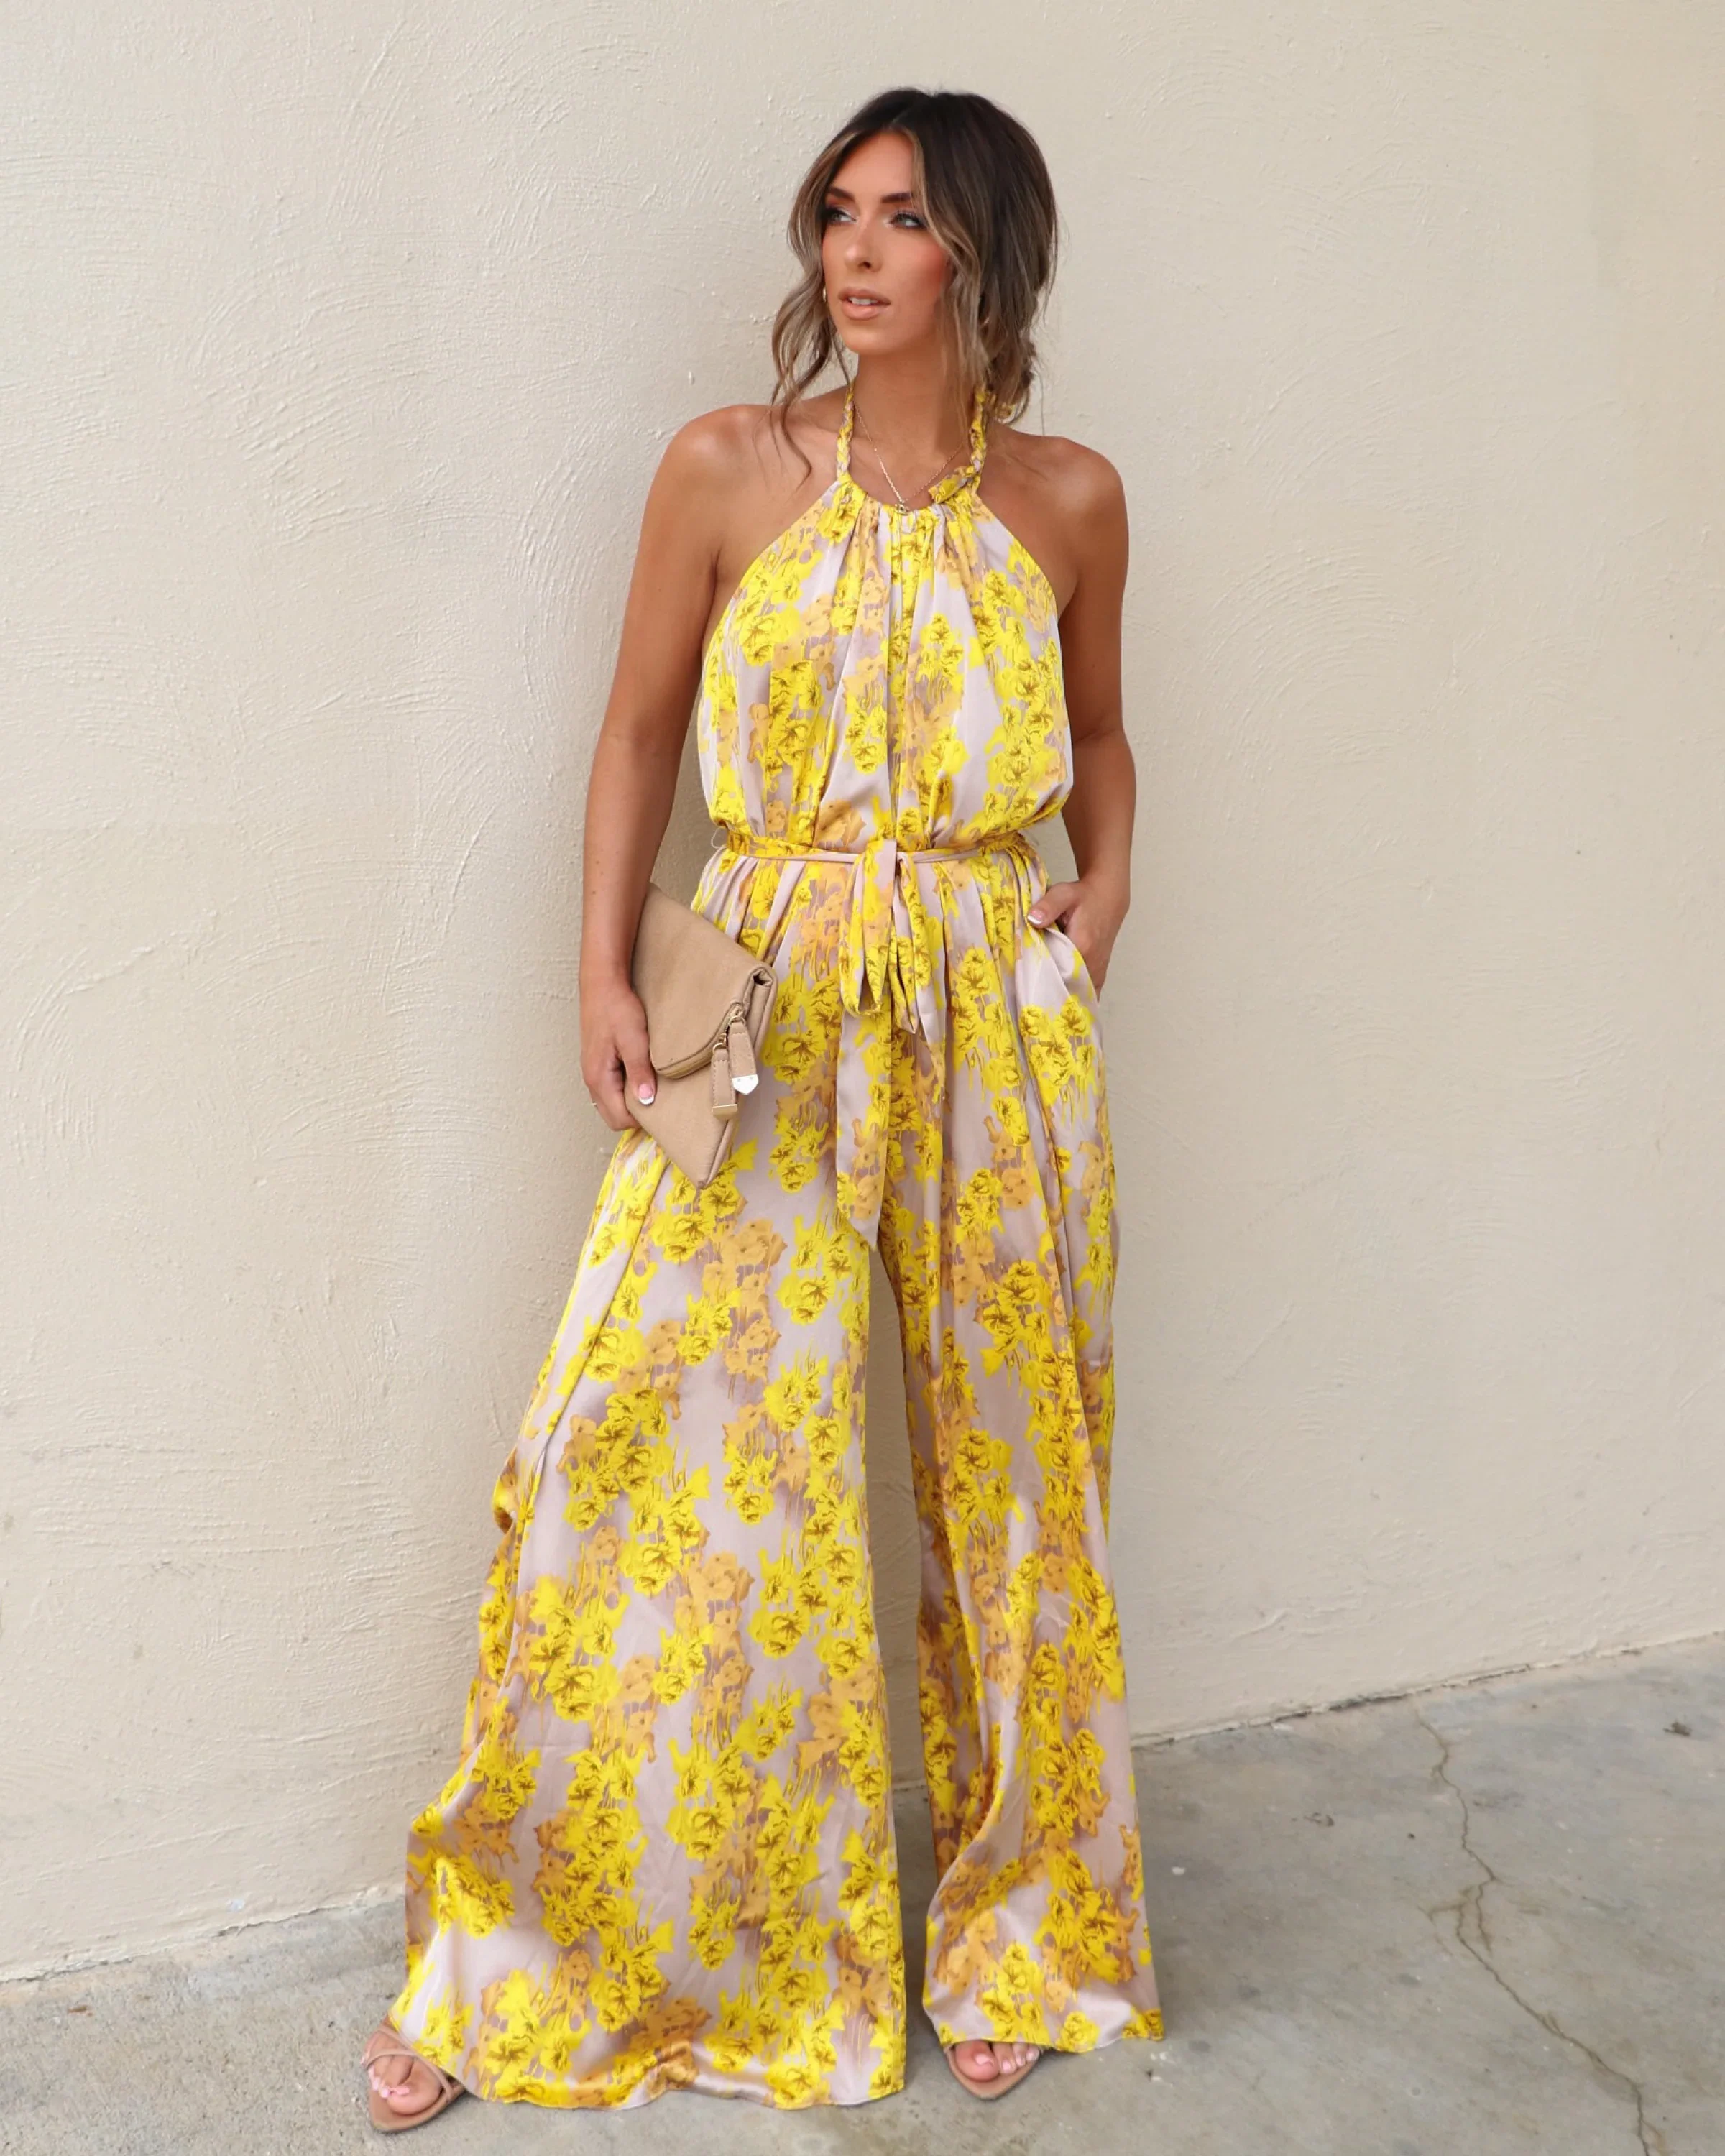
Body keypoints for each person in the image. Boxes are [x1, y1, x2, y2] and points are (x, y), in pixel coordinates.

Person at [360, 84, 1162, 2130]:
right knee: (660, 1456)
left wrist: (1103, 893)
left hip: (996, 1003)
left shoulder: (1072, 499)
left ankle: (1021, 1936)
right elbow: (639, 730)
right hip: (772, 992)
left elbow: (1099, 737)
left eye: (903, 218)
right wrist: (602, 973)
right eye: (836, 213)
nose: (854, 253)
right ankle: (541, 1950)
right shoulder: (728, 466)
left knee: (1019, 1482)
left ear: (986, 252)